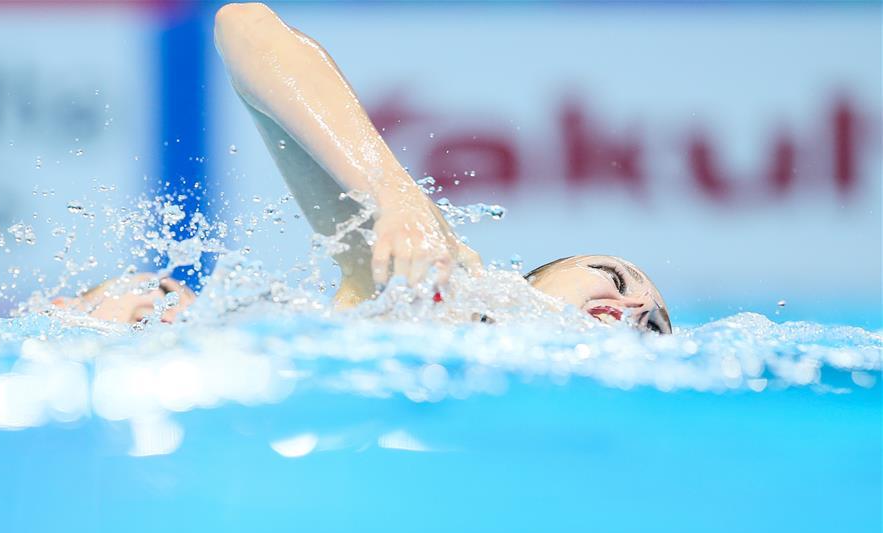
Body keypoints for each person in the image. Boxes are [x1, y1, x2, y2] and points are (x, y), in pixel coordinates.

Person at [56, 2, 671, 334]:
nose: (638, 307)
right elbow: (242, 24)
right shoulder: (434, 286)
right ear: (531, 282)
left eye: (657, 329)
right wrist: (397, 198)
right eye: (614, 279)